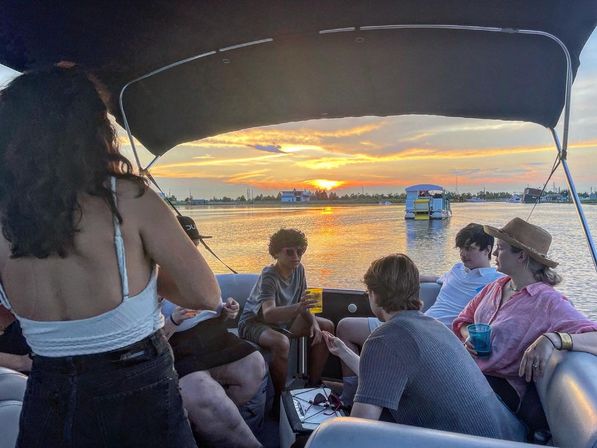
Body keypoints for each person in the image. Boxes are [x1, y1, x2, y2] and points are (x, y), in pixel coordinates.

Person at [0, 66, 221, 447]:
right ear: (91, 128)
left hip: (48, 391)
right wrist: (146, 278)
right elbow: (206, 295)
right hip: (137, 388)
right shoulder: (127, 199)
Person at [322, 254, 525, 441]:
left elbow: (358, 430)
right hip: (510, 438)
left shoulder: (385, 339)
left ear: (374, 295)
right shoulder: (433, 325)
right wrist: (343, 351)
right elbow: (380, 380)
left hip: (469, 443)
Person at [453, 217, 597, 434]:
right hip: (469, 372)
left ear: (521, 256)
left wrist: (553, 339)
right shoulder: (496, 287)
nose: (493, 255)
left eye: (500, 248)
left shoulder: (548, 302)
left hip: (498, 390)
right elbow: (464, 319)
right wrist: (468, 336)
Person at [334, 223, 502, 406]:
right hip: (415, 323)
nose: (463, 253)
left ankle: (370, 399)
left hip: (440, 340)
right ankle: (350, 396)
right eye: (461, 248)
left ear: (487, 250)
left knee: (383, 349)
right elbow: (432, 278)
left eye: (469, 248)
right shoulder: (456, 270)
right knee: (345, 327)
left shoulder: (496, 281)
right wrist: (390, 280)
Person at [161, 216, 266, 448]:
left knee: (255, 365)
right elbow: (150, 339)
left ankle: (221, 427)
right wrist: (173, 320)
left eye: (195, 244)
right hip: (179, 348)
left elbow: (218, 311)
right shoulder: (154, 280)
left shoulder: (201, 274)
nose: (194, 250)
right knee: (207, 398)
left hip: (214, 339)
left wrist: (229, 311)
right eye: (188, 244)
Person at [238, 228, 334, 399]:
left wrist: (314, 324)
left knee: (326, 327)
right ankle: (280, 398)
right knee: (281, 342)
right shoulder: (270, 275)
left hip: (283, 321)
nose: (296, 257)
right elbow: (268, 314)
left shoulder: (299, 269)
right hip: (255, 323)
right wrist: (299, 308)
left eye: (300, 251)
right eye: (289, 252)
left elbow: (305, 303)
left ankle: (313, 384)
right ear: (276, 253)